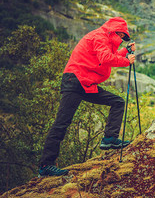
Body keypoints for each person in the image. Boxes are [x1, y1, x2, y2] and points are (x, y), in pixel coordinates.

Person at [38, 17, 136, 177]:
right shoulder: (99, 36)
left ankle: (109, 138)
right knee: (61, 123)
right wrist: (126, 61)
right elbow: (105, 59)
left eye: (125, 38)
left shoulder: (105, 39)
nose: (122, 40)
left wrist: (125, 51)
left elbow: (106, 57)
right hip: (75, 81)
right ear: (115, 31)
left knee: (117, 102)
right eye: (122, 36)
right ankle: (46, 166)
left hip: (86, 83)